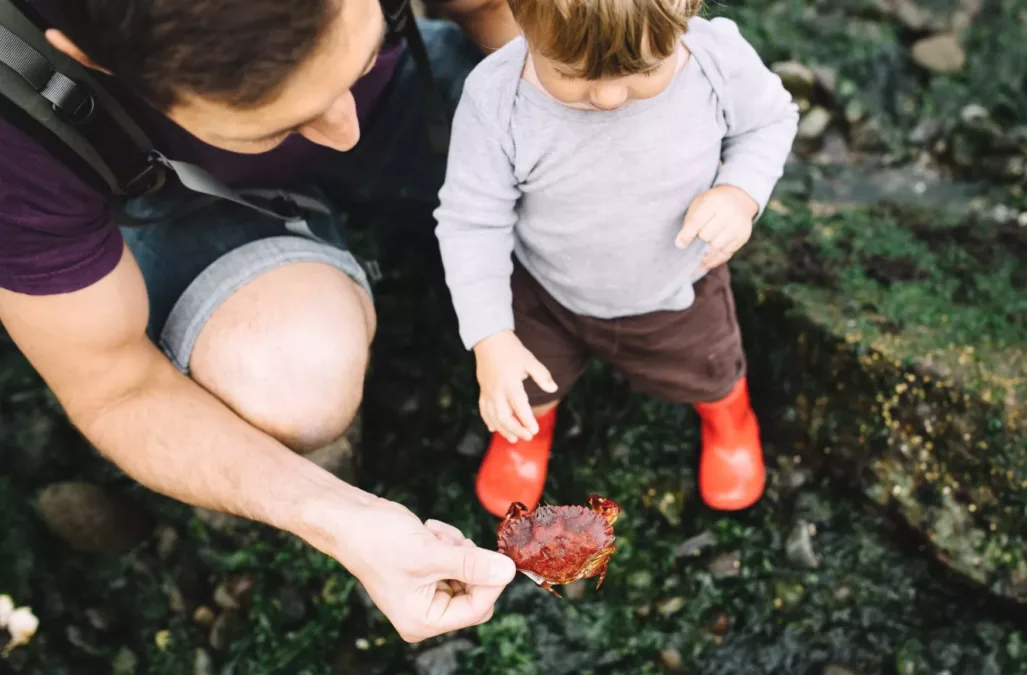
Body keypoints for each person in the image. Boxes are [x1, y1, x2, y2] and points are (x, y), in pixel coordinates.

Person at [0, 0, 521, 643]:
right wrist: (338, 520)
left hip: (414, 92)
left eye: (357, 58)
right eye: (273, 124)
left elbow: (496, 9)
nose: (344, 129)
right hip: (172, 190)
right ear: (91, 61)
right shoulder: (13, 128)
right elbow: (114, 386)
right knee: (290, 381)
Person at [433, 0, 798, 517]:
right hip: (546, 291)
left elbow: (770, 121)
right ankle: (525, 431)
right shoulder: (497, 98)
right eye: (570, 72)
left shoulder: (716, 59)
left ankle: (729, 418)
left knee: (709, 368)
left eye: (645, 69)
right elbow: (472, 220)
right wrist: (490, 337)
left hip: (676, 286)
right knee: (528, 381)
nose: (607, 97)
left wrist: (741, 192)